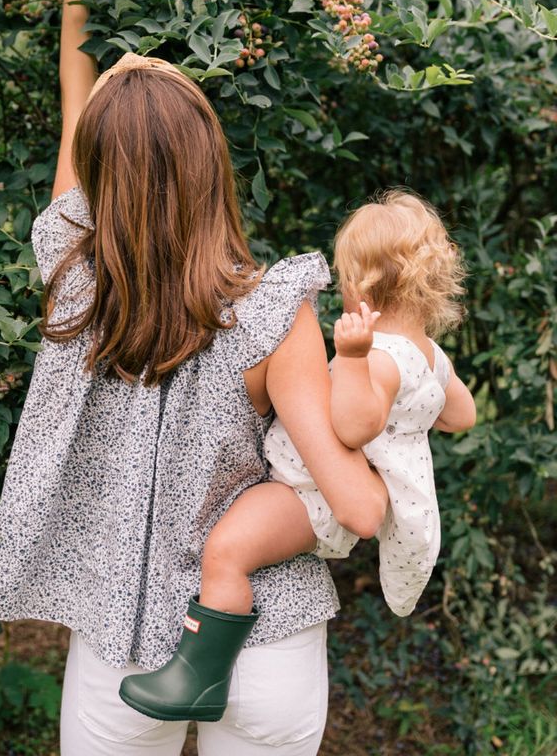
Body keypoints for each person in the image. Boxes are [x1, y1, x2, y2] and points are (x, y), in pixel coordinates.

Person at [0, 0, 388, 755]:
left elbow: (74, 117)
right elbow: (352, 505)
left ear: (96, 174)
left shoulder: (75, 279)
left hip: (121, 640)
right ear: (212, 163)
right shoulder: (275, 311)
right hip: (263, 641)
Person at [123, 192, 476, 723]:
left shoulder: (379, 358)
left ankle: (196, 676)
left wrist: (352, 361)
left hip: (307, 495)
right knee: (231, 546)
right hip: (321, 497)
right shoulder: (430, 355)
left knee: (226, 550)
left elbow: (356, 424)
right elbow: (461, 416)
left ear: (364, 284)